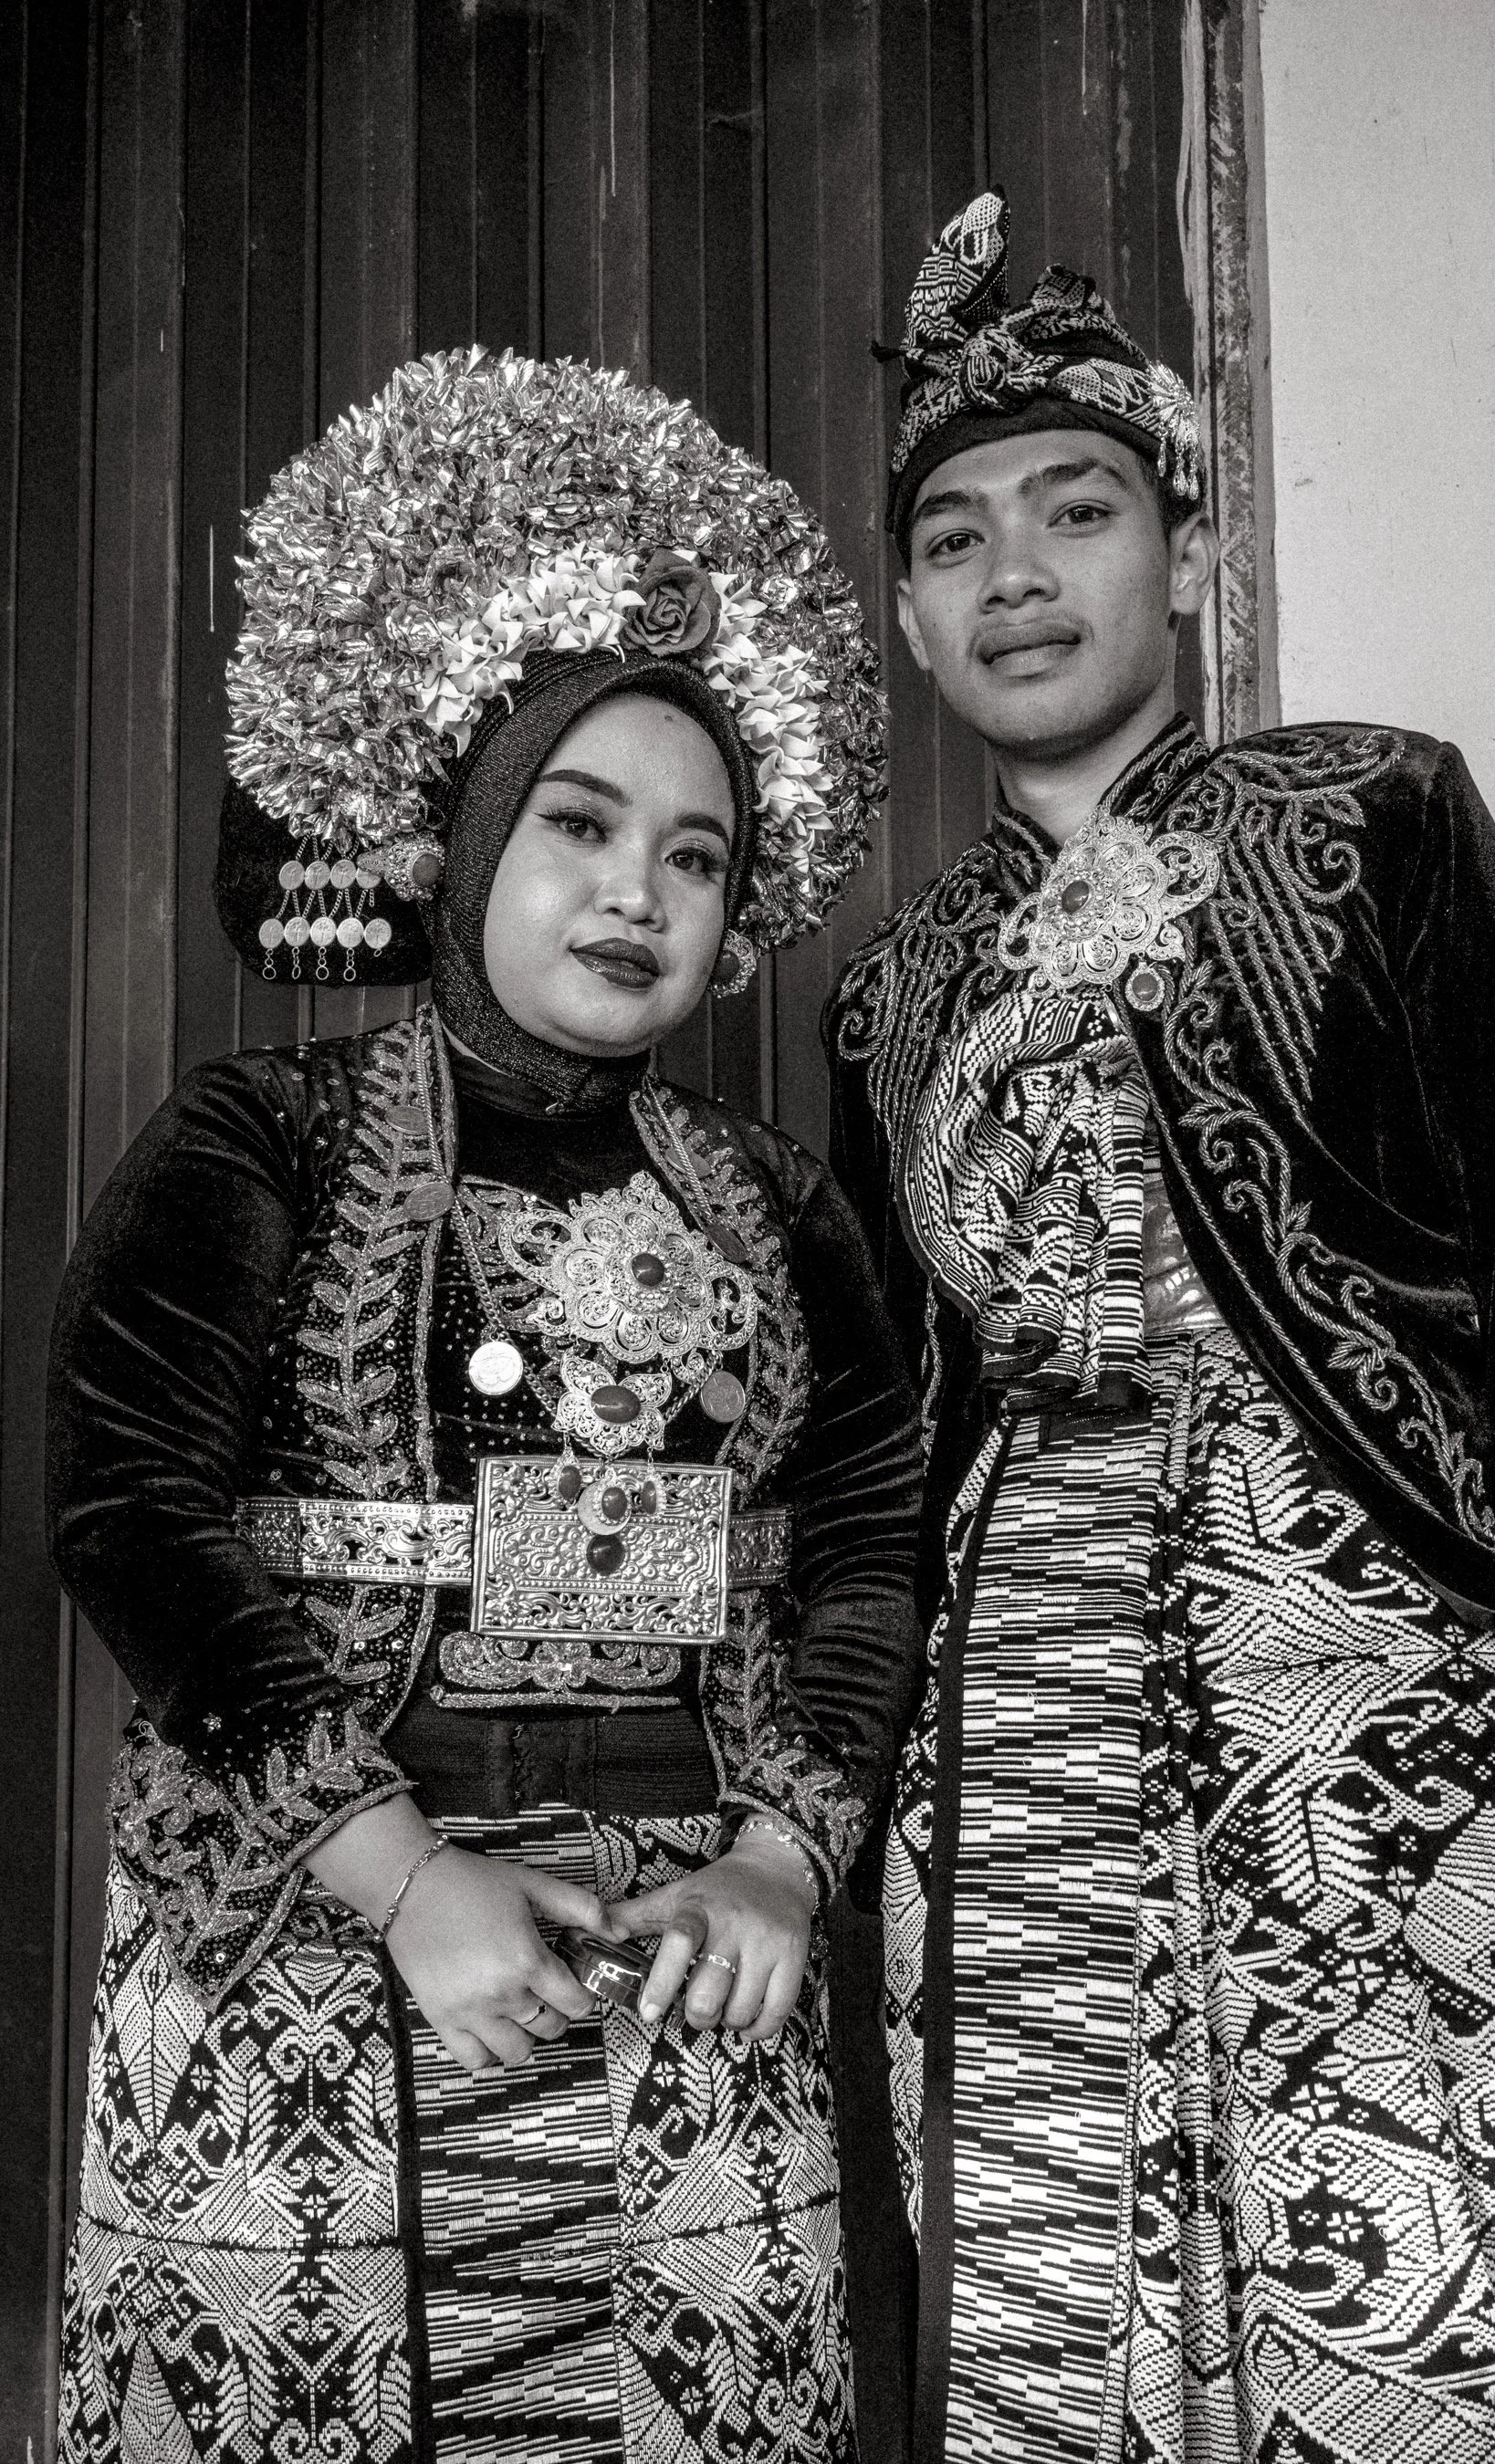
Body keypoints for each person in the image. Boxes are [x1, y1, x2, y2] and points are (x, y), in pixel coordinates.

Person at [824, 192, 1495, 2463]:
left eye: (1076, 515)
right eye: (960, 539)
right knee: (1042, 2278)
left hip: (1357, 1654)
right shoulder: (892, 988)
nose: (1016, 575)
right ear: (907, 616)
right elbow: (899, 1406)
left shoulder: (1372, 815)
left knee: (1420, 2277)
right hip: (1015, 1692)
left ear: (1181, 557)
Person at [50, 348, 922, 2463]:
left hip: (681, 1946)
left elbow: (872, 1531)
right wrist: (397, 1873)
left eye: (698, 858)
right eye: (580, 825)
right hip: (311, 1935)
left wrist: (787, 1873)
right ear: (460, 843)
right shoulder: (263, 1135)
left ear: (739, 923)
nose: (637, 891)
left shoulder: (784, 1203)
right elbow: (130, 1508)